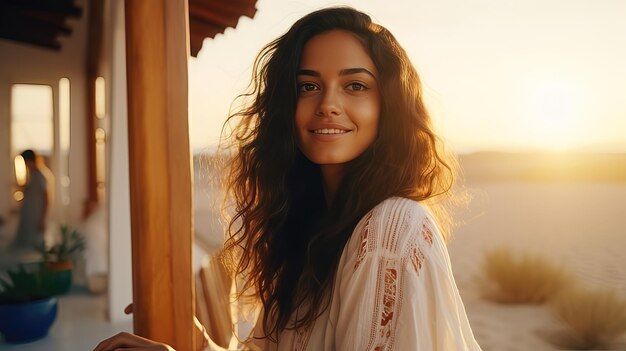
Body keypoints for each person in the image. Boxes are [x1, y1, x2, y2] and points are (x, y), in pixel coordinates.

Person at [94, 7, 481, 351]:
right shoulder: (308, 233)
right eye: (308, 86)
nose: (328, 103)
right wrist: (195, 341)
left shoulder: (389, 232)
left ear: (388, 107)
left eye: (356, 86)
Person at [13, 149, 50, 250]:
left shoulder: (40, 177)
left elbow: (46, 198)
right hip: (29, 216)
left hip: (35, 217)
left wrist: (43, 219)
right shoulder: (31, 176)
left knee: (34, 246)